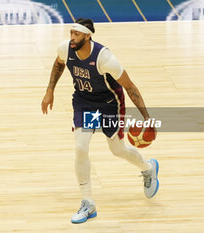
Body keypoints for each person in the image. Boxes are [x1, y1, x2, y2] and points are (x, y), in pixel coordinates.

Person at [41, 18, 159, 224]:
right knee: (80, 147)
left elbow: (130, 87)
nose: (72, 38)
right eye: (71, 33)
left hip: (109, 104)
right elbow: (58, 64)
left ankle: (148, 168)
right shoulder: (66, 49)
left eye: (76, 34)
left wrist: (147, 117)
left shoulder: (105, 58)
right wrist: (49, 90)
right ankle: (87, 202)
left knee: (117, 150)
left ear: (88, 36)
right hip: (84, 103)